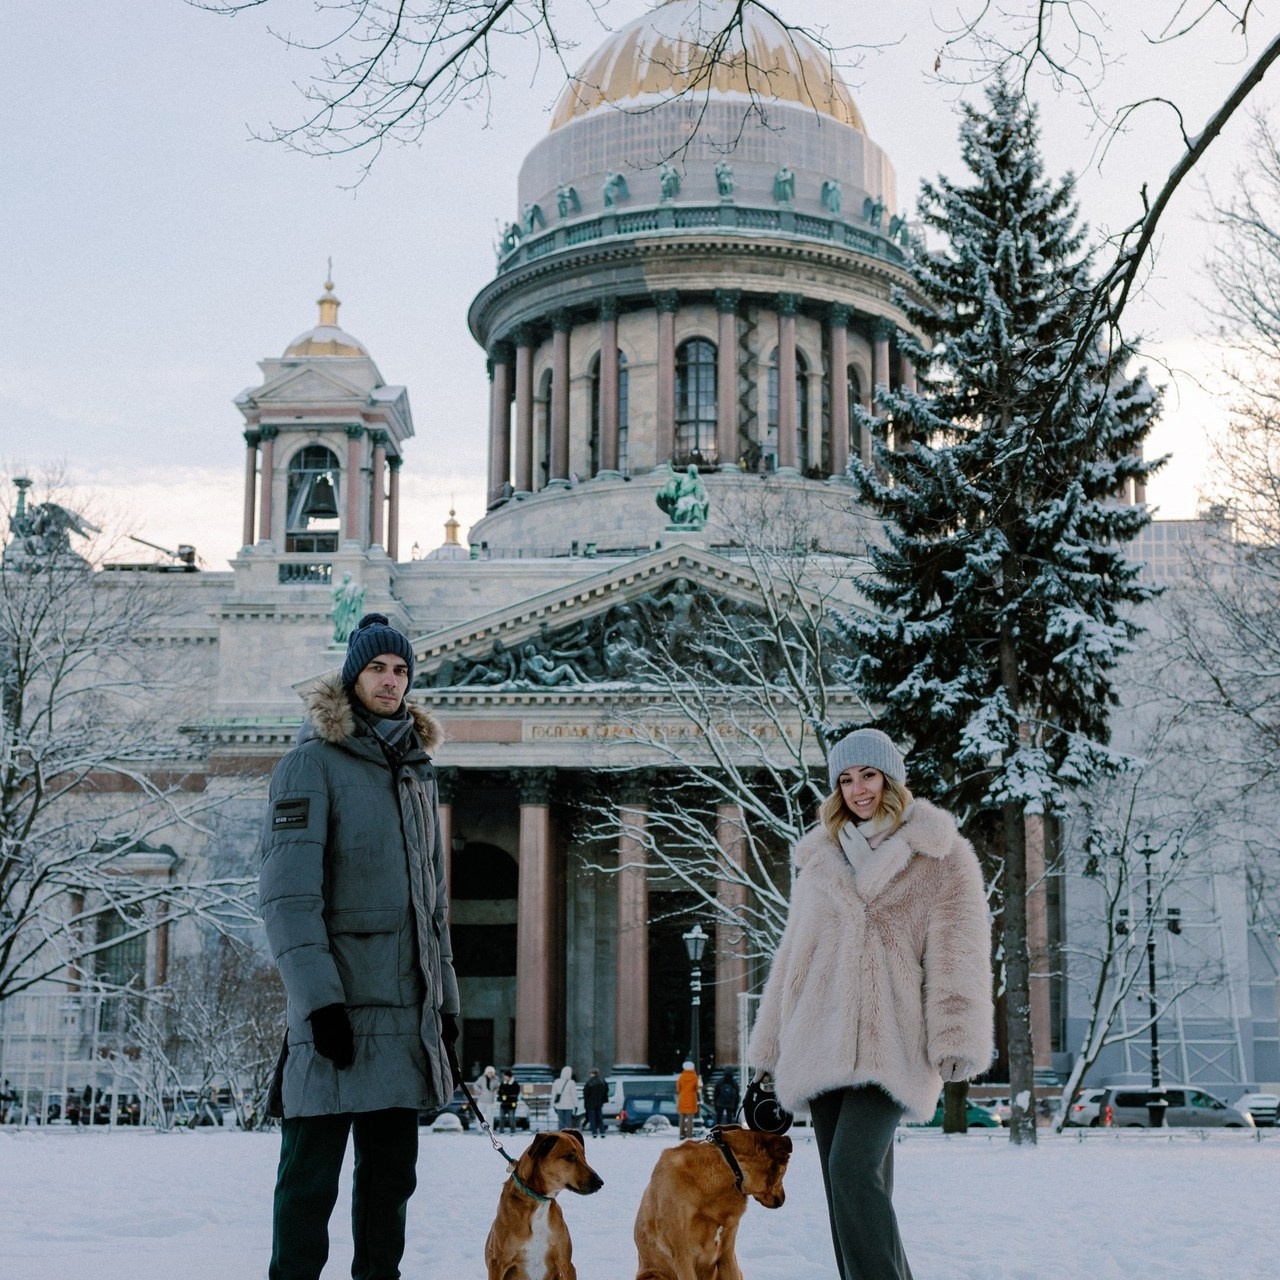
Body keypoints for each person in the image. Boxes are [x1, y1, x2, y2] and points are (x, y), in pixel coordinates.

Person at [259, 612, 462, 1280]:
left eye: (401, 669)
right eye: (377, 667)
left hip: (403, 1021)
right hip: (336, 1018)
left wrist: (447, 1007)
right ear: (352, 676)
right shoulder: (308, 764)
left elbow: (430, 913)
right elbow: (289, 900)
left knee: (388, 1195)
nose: (391, 680)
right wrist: (319, 1005)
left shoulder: (415, 773)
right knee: (307, 1188)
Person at [747, 728, 992, 1280]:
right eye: (847, 779)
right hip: (819, 1039)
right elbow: (793, 960)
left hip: (894, 1042)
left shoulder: (941, 855)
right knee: (844, 1187)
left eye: (870, 775)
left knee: (853, 1171)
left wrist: (956, 1035)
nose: (859, 789)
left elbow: (959, 951)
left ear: (892, 779)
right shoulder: (821, 860)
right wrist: (768, 1048)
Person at [675, 1061, 701, 1140]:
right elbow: (696, 1088)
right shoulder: (694, 1077)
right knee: (690, 1118)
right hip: (691, 1099)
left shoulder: (681, 1076)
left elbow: (678, 1089)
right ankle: (689, 1135)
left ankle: (681, 1134)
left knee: (682, 1117)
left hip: (682, 1098)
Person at [582, 1068, 608, 1139]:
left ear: (592, 1073)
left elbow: (585, 1093)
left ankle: (594, 1132)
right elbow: (606, 1091)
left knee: (592, 1118)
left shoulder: (590, 1082)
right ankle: (602, 1132)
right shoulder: (602, 1081)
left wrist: (586, 1102)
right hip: (599, 1103)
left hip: (591, 1103)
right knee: (599, 1118)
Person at [550, 1066, 578, 1130]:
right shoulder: (571, 1082)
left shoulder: (556, 1082)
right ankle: (567, 1135)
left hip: (559, 1105)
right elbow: (574, 1095)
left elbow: (553, 1094)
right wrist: (576, 1105)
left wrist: (553, 1104)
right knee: (568, 1122)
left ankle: (561, 1134)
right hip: (569, 1105)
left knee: (561, 1122)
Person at [497, 1070, 521, 1135]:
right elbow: (499, 1092)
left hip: (511, 1104)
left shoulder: (515, 1084)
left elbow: (516, 1092)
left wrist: (506, 1093)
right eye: (504, 1076)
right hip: (503, 1103)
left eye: (506, 1076)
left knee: (511, 1117)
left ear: (509, 1077)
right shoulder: (503, 1083)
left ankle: (512, 1130)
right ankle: (501, 1131)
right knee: (501, 1117)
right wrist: (502, 1094)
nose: (505, 1077)